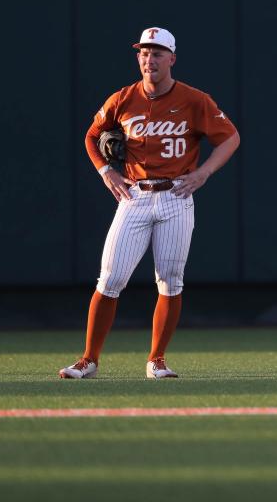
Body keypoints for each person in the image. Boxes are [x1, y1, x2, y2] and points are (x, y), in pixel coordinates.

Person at [59, 27, 240, 379]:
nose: (149, 59)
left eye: (157, 53)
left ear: (171, 58)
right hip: (134, 196)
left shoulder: (194, 99)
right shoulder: (124, 98)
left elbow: (230, 137)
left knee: (170, 281)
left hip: (176, 196)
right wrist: (105, 171)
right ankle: (88, 359)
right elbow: (92, 135)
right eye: (143, 52)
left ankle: (157, 359)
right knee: (110, 279)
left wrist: (204, 173)